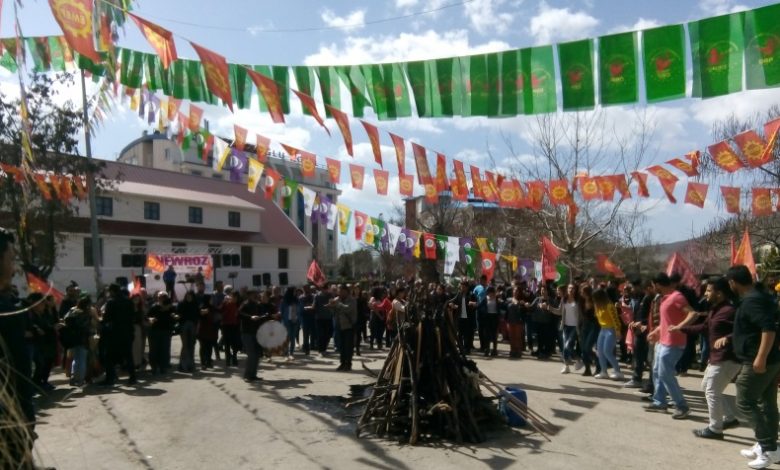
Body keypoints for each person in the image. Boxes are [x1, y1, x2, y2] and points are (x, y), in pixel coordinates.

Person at [670, 277, 740, 440]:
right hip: (717, 357)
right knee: (707, 387)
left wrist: (727, 338)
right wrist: (682, 329)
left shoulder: (730, 310)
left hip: (728, 358)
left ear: (720, 293)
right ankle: (729, 418)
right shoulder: (715, 309)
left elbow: (743, 331)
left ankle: (715, 429)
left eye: (709, 290)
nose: (706, 293)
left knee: (711, 390)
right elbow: (704, 327)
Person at [726, 265, 780, 469]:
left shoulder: (752, 301)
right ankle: (768, 445)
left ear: (733, 282)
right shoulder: (761, 296)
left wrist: (760, 358)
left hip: (758, 361)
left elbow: (768, 329)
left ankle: (769, 449)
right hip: (771, 359)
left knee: (744, 402)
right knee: (767, 404)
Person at [0, 227, 35, 467]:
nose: (14, 268)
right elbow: (19, 372)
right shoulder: (6, 310)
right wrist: (25, 422)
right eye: (11, 259)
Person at [645, 272, 694, 420]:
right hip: (663, 342)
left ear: (658, 284)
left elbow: (692, 314)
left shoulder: (677, 297)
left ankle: (682, 406)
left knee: (665, 374)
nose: (653, 288)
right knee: (656, 371)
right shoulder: (665, 298)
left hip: (674, 343)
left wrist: (680, 326)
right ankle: (659, 401)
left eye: (654, 285)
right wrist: (656, 331)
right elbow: (666, 321)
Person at [99, 284, 137, 386]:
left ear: (112, 291)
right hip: (128, 332)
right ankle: (133, 377)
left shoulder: (111, 302)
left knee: (109, 356)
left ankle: (110, 379)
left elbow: (107, 318)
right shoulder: (128, 301)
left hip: (114, 333)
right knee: (128, 356)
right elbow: (133, 315)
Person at [625, 281, 654, 389]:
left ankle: (648, 383)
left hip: (646, 331)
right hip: (639, 331)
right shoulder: (639, 298)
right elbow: (638, 313)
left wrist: (642, 323)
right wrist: (634, 322)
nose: (631, 290)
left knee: (648, 358)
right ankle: (639, 379)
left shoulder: (648, 298)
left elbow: (650, 316)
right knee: (639, 356)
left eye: (633, 287)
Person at [27, 293, 58, 392]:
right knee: (36, 366)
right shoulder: (29, 313)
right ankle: (34, 386)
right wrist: (37, 329)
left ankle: (39, 384)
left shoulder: (42, 313)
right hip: (32, 343)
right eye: (42, 304)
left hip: (42, 342)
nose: (44, 306)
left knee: (42, 364)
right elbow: (31, 324)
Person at [592, 288, 624, 380]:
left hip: (611, 330)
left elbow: (616, 319)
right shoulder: (597, 306)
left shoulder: (609, 306)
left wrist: (618, 331)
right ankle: (603, 371)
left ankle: (618, 371)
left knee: (607, 351)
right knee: (600, 352)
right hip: (602, 330)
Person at [553, 284, 582, 374]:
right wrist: (549, 308)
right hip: (565, 326)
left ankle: (577, 360)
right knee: (565, 347)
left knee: (567, 346)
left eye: (573, 288)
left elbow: (581, 315)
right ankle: (567, 366)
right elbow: (559, 311)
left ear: (575, 290)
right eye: (569, 288)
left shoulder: (578, 301)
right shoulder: (564, 300)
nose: (571, 289)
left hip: (574, 327)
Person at [147, 291, 176, 375]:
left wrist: (172, 314)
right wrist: (151, 319)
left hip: (166, 331)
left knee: (165, 350)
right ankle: (154, 367)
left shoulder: (171, 308)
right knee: (154, 350)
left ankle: (163, 367)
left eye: (164, 297)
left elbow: (175, 317)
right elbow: (148, 317)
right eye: (160, 297)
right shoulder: (154, 307)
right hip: (154, 331)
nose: (162, 299)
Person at [331, 285, 357, 371]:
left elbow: (347, 309)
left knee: (348, 347)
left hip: (348, 326)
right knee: (341, 346)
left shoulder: (352, 300)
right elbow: (333, 312)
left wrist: (337, 304)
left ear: (346, 291)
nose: (340, 293)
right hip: (339, 326)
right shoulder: (337, 299)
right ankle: (342, 363)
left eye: (342, 291)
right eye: (339, 291)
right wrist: (331, 306)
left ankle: (348, 364)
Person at [448, 281, 476, 354]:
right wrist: (450, 303)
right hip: (460, 317)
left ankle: (467, 349)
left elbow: (475, 304)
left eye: (463, 287)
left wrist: (473, 304)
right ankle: (461, 349)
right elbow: (454, 300)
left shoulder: (471, 294)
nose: (461, 288)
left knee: (467, 334)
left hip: (468, 318)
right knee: (460, 334)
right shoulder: (459, 294)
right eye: (461, 287)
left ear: (467, 287)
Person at [176, 291, 200, 373]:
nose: (189, 297)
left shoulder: (195, 304)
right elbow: (178, 314)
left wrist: (197, 327)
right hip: (184, 325)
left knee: (192, 345)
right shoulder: (181, 304)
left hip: (193, 325)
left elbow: (198, 317)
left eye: (190, 296)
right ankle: (183, 365)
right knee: (185, 345)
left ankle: (191, 365)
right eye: (187, 296)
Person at [477, 286, 503, 357]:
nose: (491, 293)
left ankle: (494, 350)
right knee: (487, 335)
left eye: (492, 292)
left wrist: (501, 302)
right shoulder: (485, 299)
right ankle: (487, 349)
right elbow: (479, 306)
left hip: (494, 317)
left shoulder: (497, 299)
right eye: (489, 292)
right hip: (487, 318)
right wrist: (475, 305)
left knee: (494, 335)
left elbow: (502, 307)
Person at [197, 294, 219, 369]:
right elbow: (199, 314)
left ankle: (208, 362)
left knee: (209, 347)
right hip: (203, 330)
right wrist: (203, 312)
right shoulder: (202, 306)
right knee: (203, 347)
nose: (212, 300)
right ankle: (203, 363)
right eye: (210, 299)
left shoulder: (212, 307)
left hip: (211, 330)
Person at [220, 289, 241, 367]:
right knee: (227, 344)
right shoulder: (226, 303)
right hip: (226, 325)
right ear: (231, 296)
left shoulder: (238, 304)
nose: (234, 298)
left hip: (235, 325)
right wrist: (224, 303)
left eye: (236, 297)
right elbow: (220, 310)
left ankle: (234, 357)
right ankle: (228, 360)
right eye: (233, 297)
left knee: (235, 343)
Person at [505, 286, 526, 358]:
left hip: (518, 321)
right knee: (511, 337)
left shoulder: (521, 301)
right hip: (510, 320)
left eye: (517, 291)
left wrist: (519, 303)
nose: (515, 292)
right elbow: (504, 307)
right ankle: (512, 350)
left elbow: (523, 310)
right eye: (514, 290)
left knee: (518, 337)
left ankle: (518, 351)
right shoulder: (508, 299)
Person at [313, 284, 334, 355]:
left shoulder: (330, 295)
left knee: (327, 335)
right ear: (321, 289)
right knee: (320, 335)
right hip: (319, 318)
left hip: (328, 317)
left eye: (326, 289)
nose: (325, 290)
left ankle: (324, 349)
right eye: (324, 289)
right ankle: (320, 350)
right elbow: (314, 306)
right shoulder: (317, 296)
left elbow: (332, 304)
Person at [280, 287, 300, 359]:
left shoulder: (296, 300)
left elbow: (299, 310)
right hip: (287, 321)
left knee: (292, 337)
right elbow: (281, 311)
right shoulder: (284, 301)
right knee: (287, 337)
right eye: (294, 291)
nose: (295, 292)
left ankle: (291, 353)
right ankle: (286, 352)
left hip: (294, 321)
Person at [299, 286, 315, 356]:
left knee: (313, 333)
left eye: (307, 288)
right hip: (304, 317)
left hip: (312, 317)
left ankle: (312, 345)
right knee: (305, 333)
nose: (306, 289)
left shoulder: (313, 296)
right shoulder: (301, 297)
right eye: (304, 288)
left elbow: (315, 306)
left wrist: (311, 307)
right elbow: (300, 308)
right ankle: (306, 347)